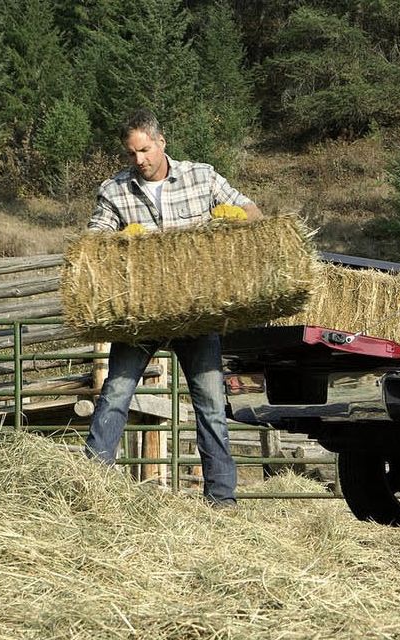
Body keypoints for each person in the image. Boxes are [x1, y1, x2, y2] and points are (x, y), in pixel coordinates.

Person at [85, 108, 261, 508]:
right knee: (115, 392)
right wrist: (115, 241)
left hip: (196, 311)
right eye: (131, 154)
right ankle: (91, 484)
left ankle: (221, 498)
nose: (139, 161)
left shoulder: (202, 175)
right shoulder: (114, 191)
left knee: (211, 403)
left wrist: (234, 217)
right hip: (141, 314)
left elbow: (253, 211)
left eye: (144, 150)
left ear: (161, 142)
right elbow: (92, 245)